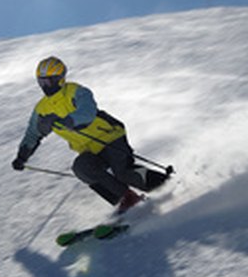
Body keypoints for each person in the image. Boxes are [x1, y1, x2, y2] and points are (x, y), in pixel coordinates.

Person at [12, 56, 170, 214]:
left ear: (60, 79)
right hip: (90, 149)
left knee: (122, 172)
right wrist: (22, 157)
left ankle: (165, 184)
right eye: (41, 82)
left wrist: (68, 120)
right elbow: (33, 134)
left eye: (48, 81)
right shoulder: (41, 109)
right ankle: (128, 198)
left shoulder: (76, 91)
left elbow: (88, 112)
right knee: (82, 168)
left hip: (110, 137)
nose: (45, 86)